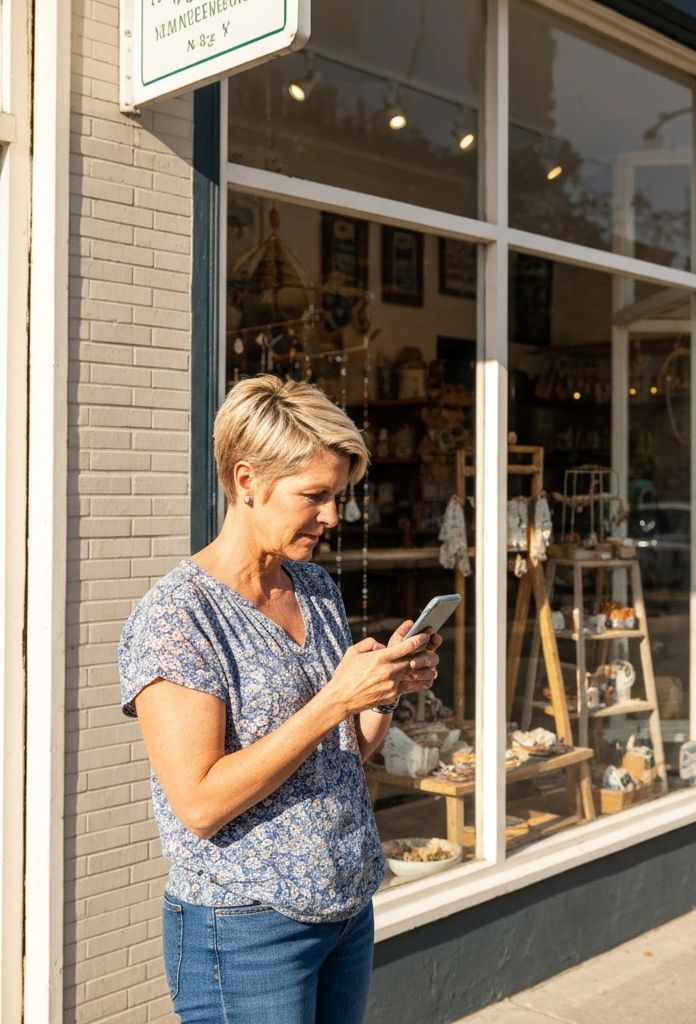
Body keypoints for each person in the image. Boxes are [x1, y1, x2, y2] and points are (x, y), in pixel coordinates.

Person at [118, 375, 441, 1023]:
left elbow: (345, 750)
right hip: (246, 929)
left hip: (346, 909)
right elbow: (201, 802)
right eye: (314, 496)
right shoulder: (179, 617)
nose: (332, 516)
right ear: (246, 481)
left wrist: (384, 692)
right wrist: (332, 700)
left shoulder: (314, 586)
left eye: (338, 496)